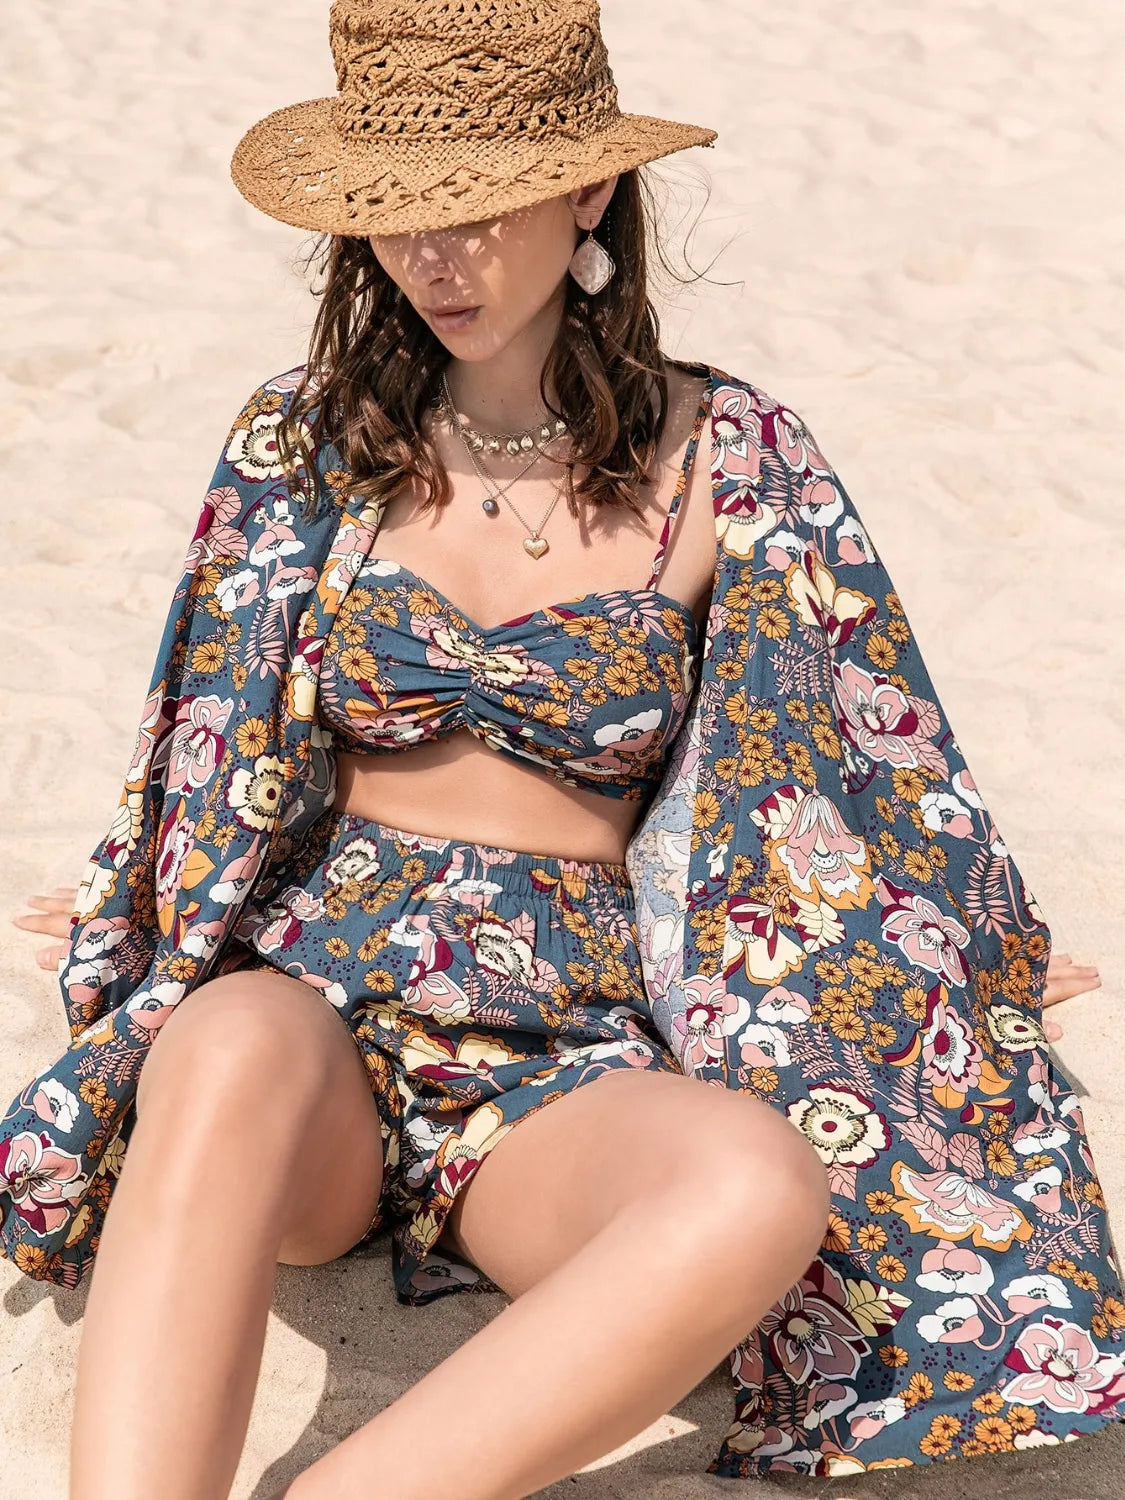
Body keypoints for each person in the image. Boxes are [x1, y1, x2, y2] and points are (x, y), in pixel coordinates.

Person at [1, 1, 1120, 1494]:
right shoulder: (306, 441)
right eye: (398, 213)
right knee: (225, 1038)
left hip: (565, 1061)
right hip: (316, 1022)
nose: (432, 256)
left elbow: (856, 741)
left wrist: (963, 952)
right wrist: (134, 889)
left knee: (754, 1182)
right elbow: (208, 727)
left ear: (588, 192)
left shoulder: (729, 457)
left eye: (475, 206)